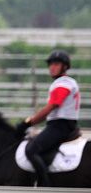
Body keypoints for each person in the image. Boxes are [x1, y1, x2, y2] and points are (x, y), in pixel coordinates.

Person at [16, 50, 81, 186]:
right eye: (50, 64)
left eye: (56, 64)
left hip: (60, 126)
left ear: (65, 66)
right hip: (57, 125)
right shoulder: (63, 83)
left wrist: (27, 123)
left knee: (31, 149)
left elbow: (51, 107)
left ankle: (45, 184)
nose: (52, 67)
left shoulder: (64, 83)